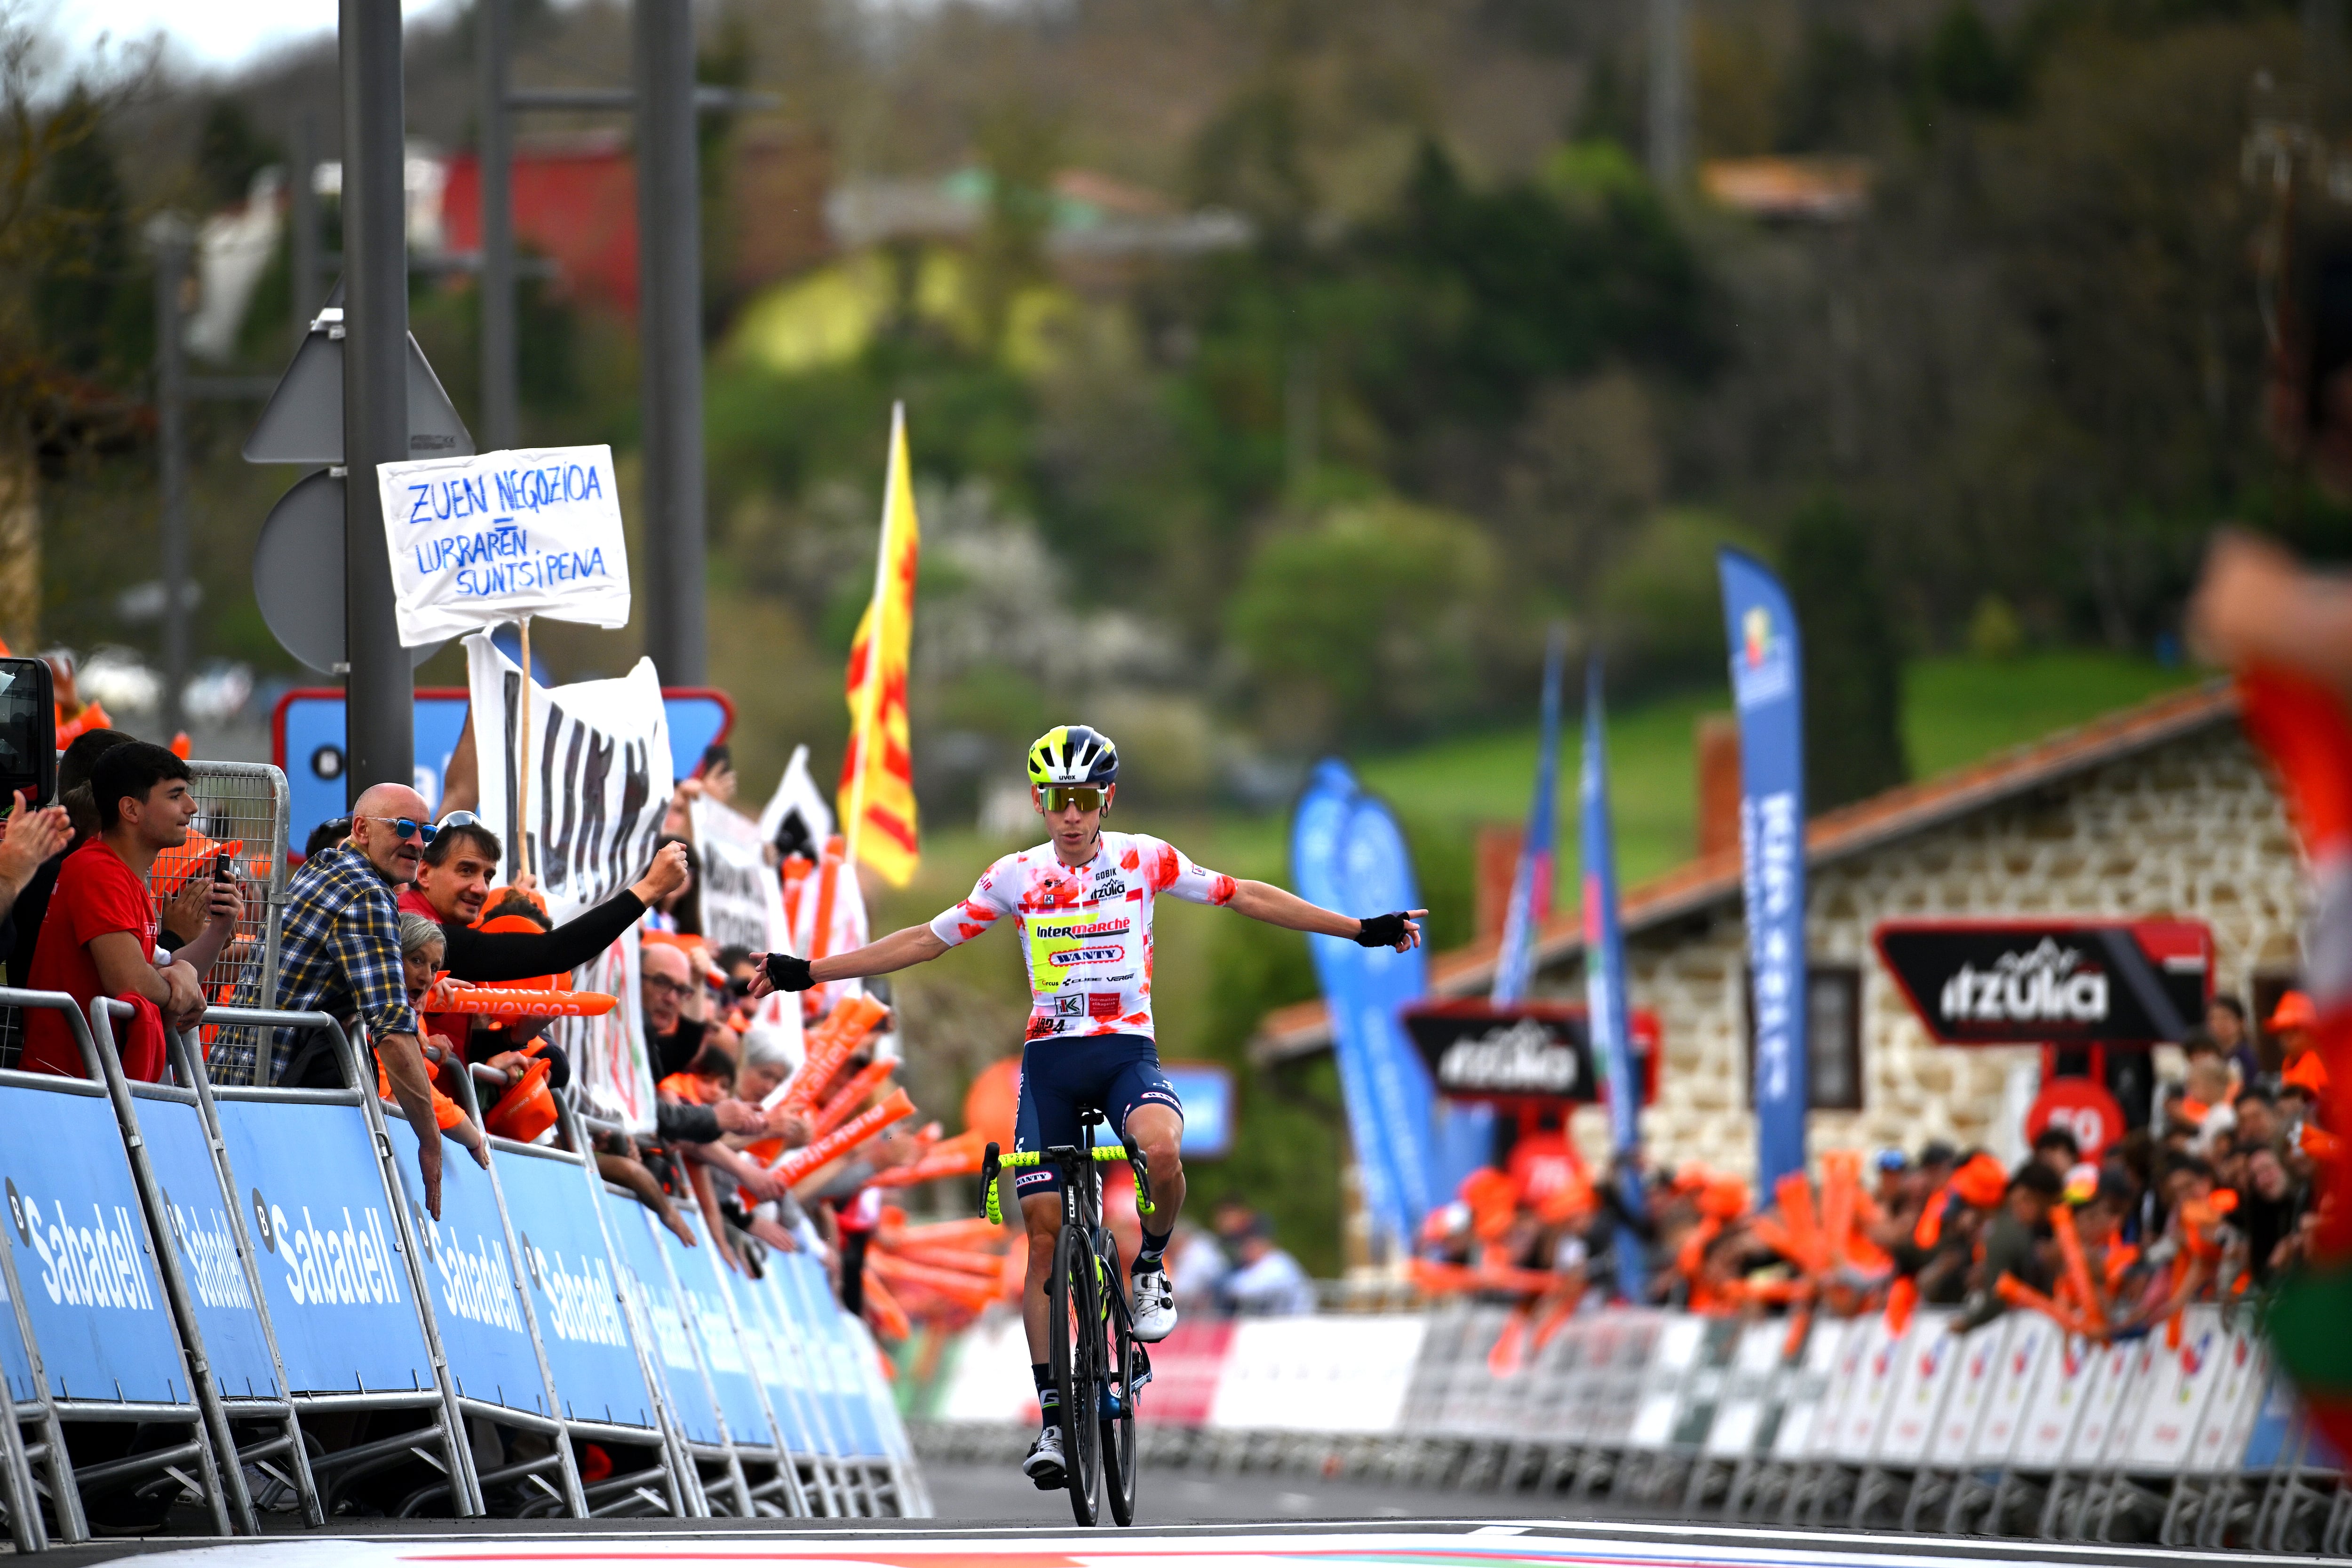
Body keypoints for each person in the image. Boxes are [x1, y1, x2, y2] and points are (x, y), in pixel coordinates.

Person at [748, 723, 1423, 1489]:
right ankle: (1052, 1422)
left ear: (1106, 798)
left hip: (1124, 1052)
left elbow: (1249, 895)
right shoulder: (1014, 875)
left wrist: (1362, 929)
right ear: (1040, 802)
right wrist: (807, 970)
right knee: (1041, 1238)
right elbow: (923, 940)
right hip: (1051, 1064)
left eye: (1082, 799)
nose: (1069, 816)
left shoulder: (1144, 856)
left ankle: (1149, 1263)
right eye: (1054, 800)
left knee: (1163, 1149)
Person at [216, 782, 482, 1219]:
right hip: (274, 1103)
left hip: (239, 1087)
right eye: (403, 828)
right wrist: (430, 1139)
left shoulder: (327, 864)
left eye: (426, 833)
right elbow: (393, 1030)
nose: (417, 843)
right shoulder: (367, 894)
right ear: (361, 829)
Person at [22, 742, 242, 1081]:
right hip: (72, 1087)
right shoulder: (99, 870)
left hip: (98, 1084)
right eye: (175, 795)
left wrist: (218, 931)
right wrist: (181, 986)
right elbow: (130, 980)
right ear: (130, 809)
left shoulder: (123, 875)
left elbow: (153, 979)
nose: (192, 807)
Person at [1219, 1218, 1316, 1315]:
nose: (1243, 1250)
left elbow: (1241, 1290)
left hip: (1297, 1323)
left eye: (1248, 1243)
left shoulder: (1279, 1265)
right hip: (1282, 1322)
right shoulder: (1263, 1264)